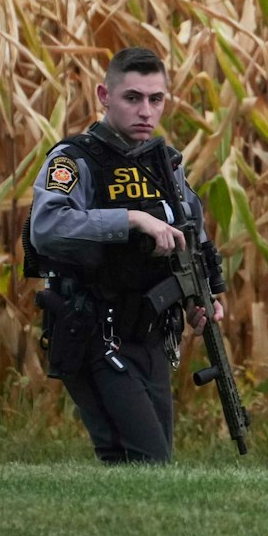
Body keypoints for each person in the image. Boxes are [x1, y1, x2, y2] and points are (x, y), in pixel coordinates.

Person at [24, 46, 226, 463]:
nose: (145, 112)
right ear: (104, 95)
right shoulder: (76, 160)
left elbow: (191, 229)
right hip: (96, 330)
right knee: (147, 459)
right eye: (132, 98)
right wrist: (130, 218)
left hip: (150, 334)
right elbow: (45, 228)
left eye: (156, 99)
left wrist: (199, 297)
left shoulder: (164, 165)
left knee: (139, 463)